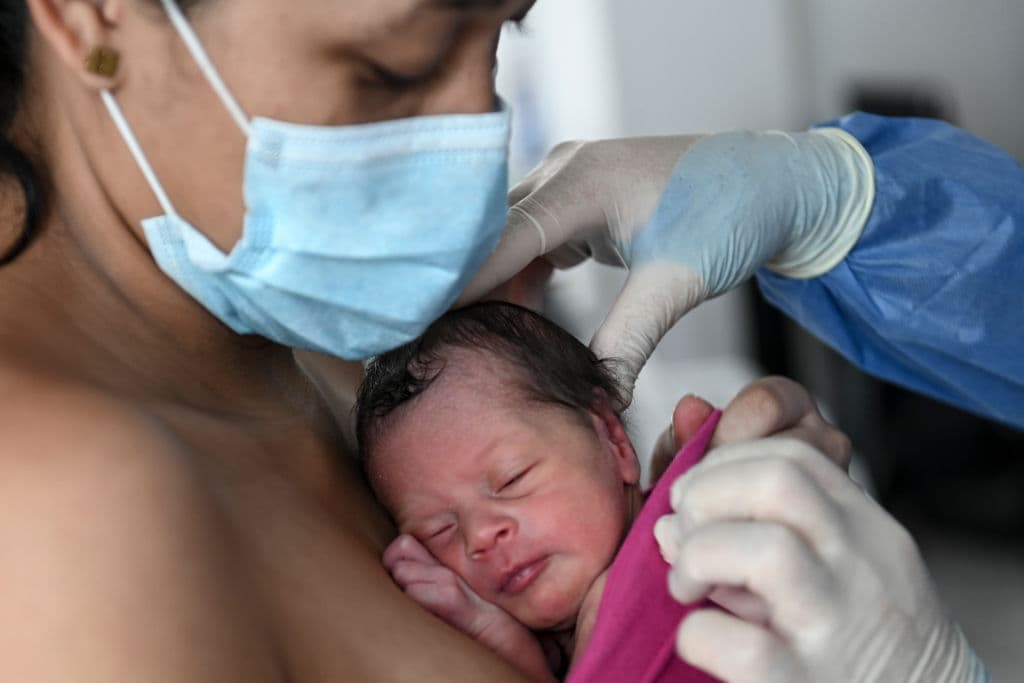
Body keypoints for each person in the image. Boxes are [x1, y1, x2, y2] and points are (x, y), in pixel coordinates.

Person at [0, 1, 851, 681]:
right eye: (393, 65)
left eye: (500, 34)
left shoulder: (325, 363)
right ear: (91, 16)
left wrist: (701, 573)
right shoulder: (61, 497)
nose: (475, 135)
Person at [355, 300, 721, 682]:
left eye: (512, 479)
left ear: (613, 438)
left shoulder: (692, 514)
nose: (480, 535)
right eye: (438, 530)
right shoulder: (522, 653)